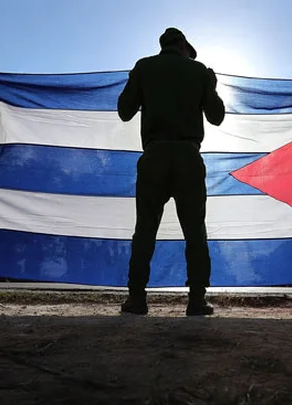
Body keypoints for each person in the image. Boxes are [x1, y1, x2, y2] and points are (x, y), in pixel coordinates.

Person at [117, 27, 225, 316]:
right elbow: (217, 117)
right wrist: (210, 86)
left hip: (154, 157)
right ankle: (196, 299)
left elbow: (124, 111)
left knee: (145, 229)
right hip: (188, 158)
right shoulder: (199, 71)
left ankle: (137, 298)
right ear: (182, 47)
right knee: (194, 231)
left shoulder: (144, 67)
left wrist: (139, 82)